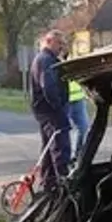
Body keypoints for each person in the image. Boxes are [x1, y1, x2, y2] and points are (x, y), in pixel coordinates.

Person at [29, 30, 74, 186]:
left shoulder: (47, 59)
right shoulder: (45, 60)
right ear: (48, 42)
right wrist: (58, 106)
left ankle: (49, 182)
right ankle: (62, 181)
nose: (61, 47)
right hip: (51, 110)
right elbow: (48, 86)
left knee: (48, 147)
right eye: (59, 43)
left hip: (44, 109)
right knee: (60, 145)